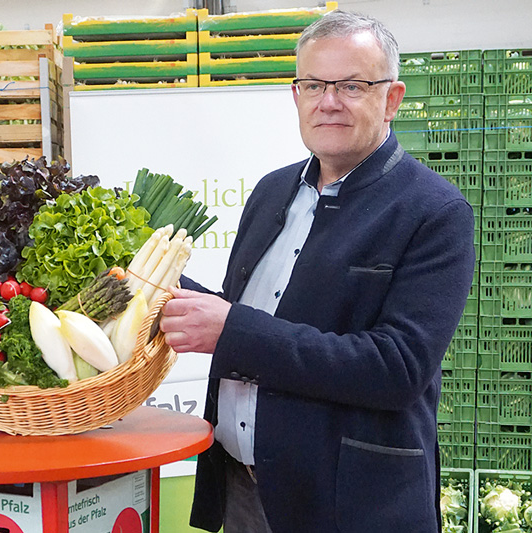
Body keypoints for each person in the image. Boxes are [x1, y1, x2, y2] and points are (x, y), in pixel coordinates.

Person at [160, 11, 475, 533]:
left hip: (347, 501)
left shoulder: (433, 211)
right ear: (296, 95)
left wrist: (231, 331)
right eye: (314, 84)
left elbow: (396, 368)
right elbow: (255, 314)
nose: (329, 101)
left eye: (352, 85)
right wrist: (156, 282)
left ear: (392, 98)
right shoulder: (271, 191)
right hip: (241, 486)